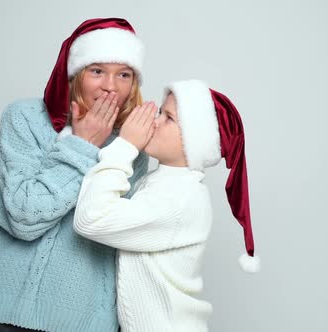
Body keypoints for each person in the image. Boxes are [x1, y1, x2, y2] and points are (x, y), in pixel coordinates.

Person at [0, 18, 148, 332]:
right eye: (97, 71)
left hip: (88, 320)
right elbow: (24, 217)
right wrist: (83, 144)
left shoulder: (131, 143)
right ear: (75, 74)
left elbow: (114, 230)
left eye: (123, 74)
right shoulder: (25, 117)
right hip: (9, 314)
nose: (111, 86)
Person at [74, 79, 262, 332]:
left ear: (194, 141)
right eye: (160, 111)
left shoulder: (181, 199)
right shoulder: (161, 183)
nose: (154, 120)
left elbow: (91, 219)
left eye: (169, 118)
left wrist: (126, 145)